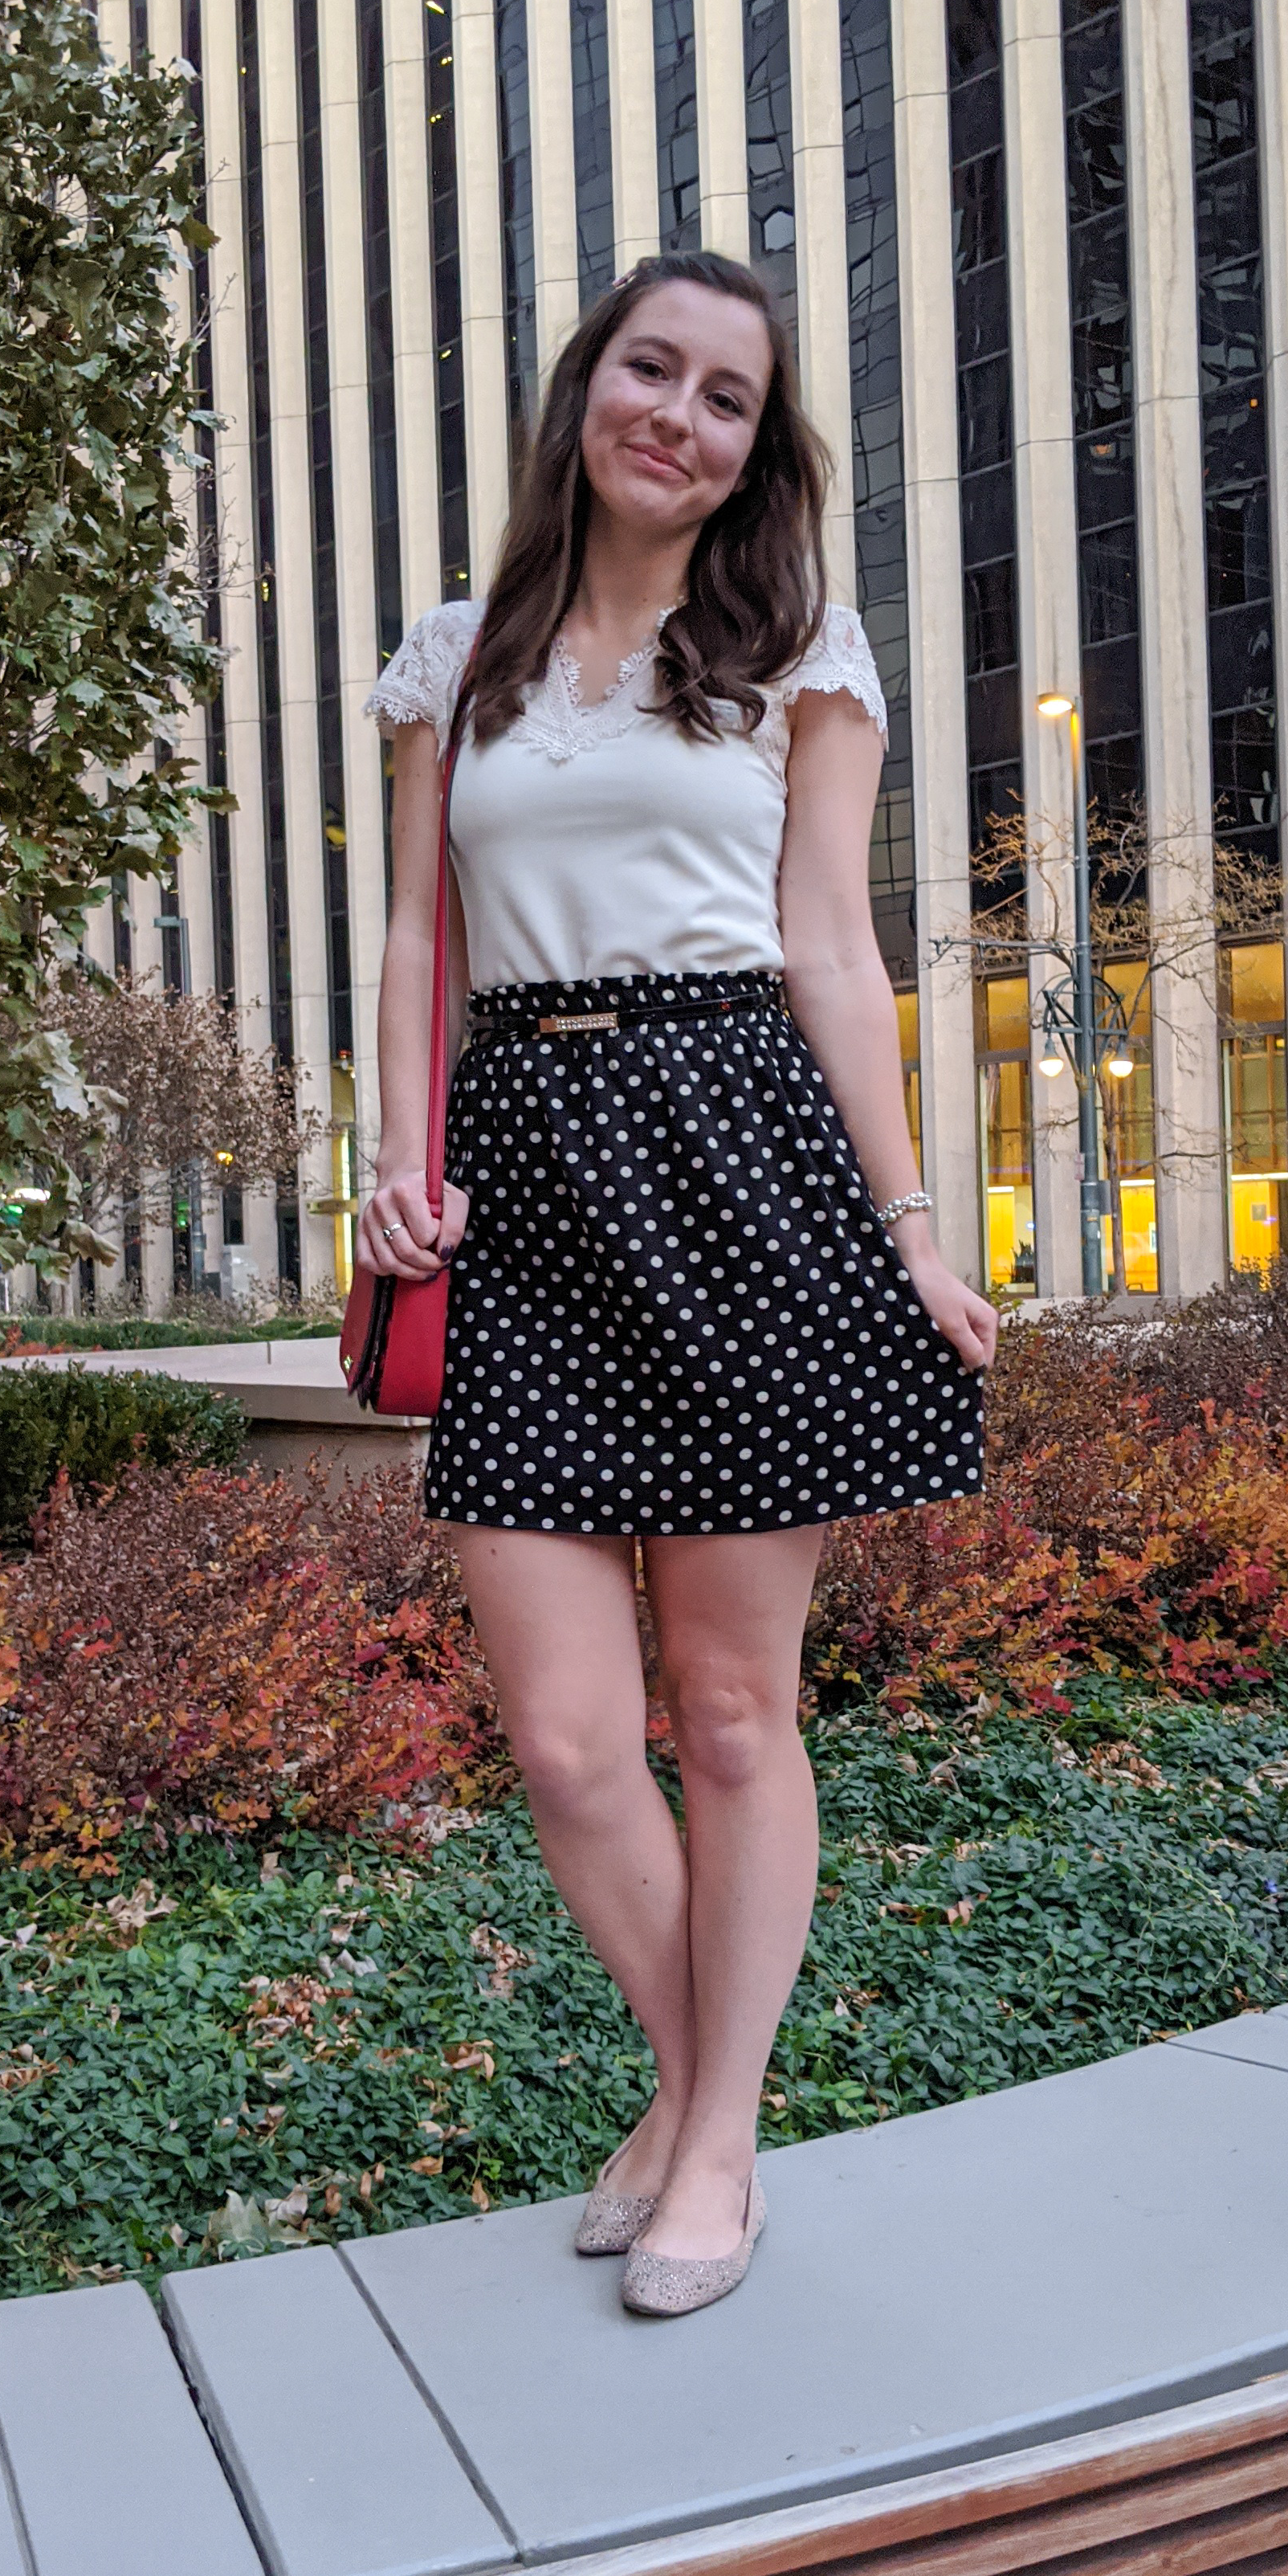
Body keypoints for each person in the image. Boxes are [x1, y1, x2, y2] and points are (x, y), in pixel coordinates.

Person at [361, 251, 997, 2318]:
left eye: (730, 398)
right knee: (561, 1739)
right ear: (587, 390)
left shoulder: (800, 641)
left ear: (755, 450)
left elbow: (833, 947)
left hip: (743, 1152)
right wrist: (396, 1157)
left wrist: (912, 1229)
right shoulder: (455, 658)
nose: (685, 417)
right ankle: (692, 2082)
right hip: (531, 1171)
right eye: (656, 369)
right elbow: (405, 936)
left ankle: (714, 2141)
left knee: (730, 1713)